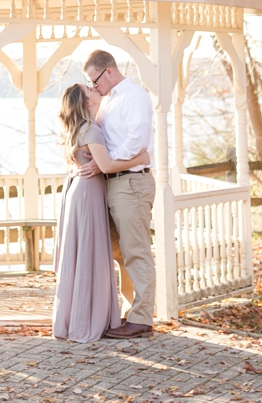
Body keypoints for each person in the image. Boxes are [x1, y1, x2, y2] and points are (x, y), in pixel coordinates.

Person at [51, 82, 148, 342]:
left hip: (79, 191)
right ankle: (89, 320)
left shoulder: (81, 129)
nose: (95, 88)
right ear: (85, 102)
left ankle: (78, 318)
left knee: (83, 255)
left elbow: (98, 163)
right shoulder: (91, 129)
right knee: (91, 255)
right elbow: (105, 166)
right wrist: (140, 160)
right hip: (88, 194)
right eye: (89, 88)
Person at [81, 49, 157, 338]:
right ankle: (130, 310)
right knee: (119, 252)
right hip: (114, 181)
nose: (94, 86)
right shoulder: (108, 101)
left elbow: (137, 142)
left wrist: (105, 164)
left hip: (132, 183)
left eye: (95, 80)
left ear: (108, 72)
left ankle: (142, 319)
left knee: (136, 251)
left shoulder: (134, 96)